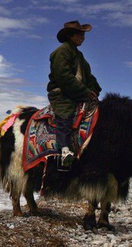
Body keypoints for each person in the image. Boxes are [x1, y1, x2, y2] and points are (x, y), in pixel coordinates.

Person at [47, 21, 101, 167]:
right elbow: (63, 76)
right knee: (65, 115)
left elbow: (89, 76)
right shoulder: (61, 52)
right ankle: (64, 151)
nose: (83, 37)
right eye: (80, 34)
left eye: (83, 34)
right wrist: (85, 91)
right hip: (62, 93)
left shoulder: (79, 56)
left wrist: (95, 90)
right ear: (71, 35)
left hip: (77, 93)